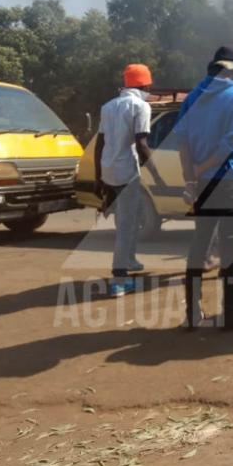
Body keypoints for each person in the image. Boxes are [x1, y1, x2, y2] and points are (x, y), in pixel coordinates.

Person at [174, 45, 233, 330]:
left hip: (204, 184)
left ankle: (193, 313)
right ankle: (231, 315)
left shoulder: (194, 96)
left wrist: (191, 177)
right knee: (230, 249)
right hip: (230, 181)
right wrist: (204, 166)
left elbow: (182, 141)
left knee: (199, 245)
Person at [94, 64, 153, 297]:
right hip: (127, 171)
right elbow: (141, 144)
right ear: (144, 84)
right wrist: (157, 174)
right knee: (127, 224)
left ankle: (129, 259)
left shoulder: (108, 106)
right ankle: (119, 280)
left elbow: (100, 143)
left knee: (129, 216)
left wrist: (99, 176)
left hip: (108, 170)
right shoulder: (142, 106)